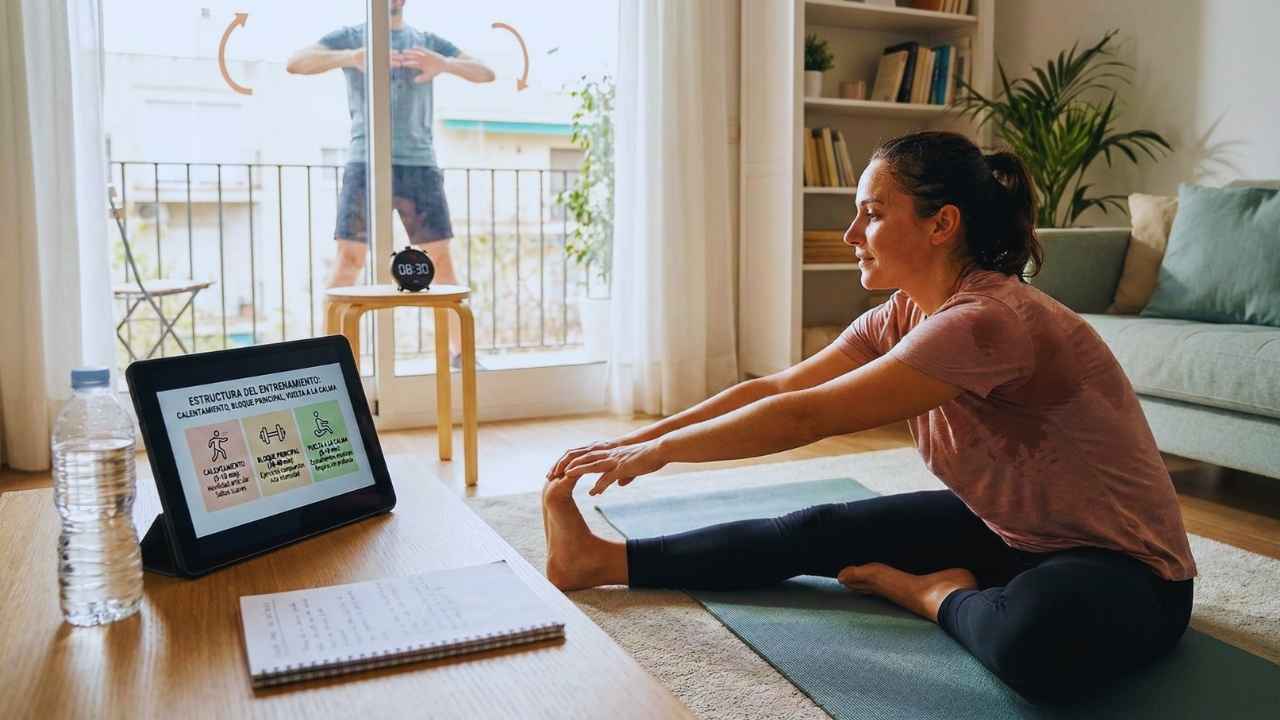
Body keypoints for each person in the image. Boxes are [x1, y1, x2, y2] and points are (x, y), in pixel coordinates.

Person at [541, 131, 1198, 706]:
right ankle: (600, 560)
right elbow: (779, 386)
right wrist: (640, 438)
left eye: (873, 214)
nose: (852, 234)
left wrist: (659, 455)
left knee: (1029, 644)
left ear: (941, 225)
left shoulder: (987, 319)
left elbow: (804, 416)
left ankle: (932, 596)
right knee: (819, 529)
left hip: (1130, 571)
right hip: (1012, 533)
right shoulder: (905, 312)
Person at [287, 0, 494, 361]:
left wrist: (443, 64)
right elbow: (296, 62)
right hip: (365, 161)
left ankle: (462, 357)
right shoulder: (351, 37)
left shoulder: (426, 42)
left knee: (439, 261)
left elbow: (486, 73)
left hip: (419, 163)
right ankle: (328, 363)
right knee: (349, 259)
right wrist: (353, 57)